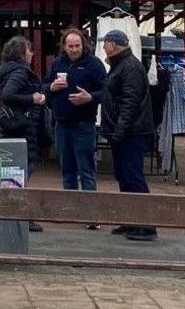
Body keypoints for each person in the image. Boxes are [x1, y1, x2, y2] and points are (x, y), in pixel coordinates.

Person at [99, 28, 157, 240]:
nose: (104, 47)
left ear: (113, 45)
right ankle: (130, 220)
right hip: (124, 132)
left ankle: (146, 225)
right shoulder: (120, 65)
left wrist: (119, 131)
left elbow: (130, 103)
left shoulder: (129, 67)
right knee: (123, 175)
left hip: (132, 133)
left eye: (105, 43)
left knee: (133, 175)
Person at [43, 27, 107, 193]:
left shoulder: (94, 64)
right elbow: (43, 87)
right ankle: (70, 210)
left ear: (83, 45)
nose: (74, 49)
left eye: (77, 45)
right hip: (62, 125)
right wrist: (51, 87)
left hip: (84, 125)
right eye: (70, 46)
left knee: (87, 170)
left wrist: (90, 97)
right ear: (64, 46)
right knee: (67, 171)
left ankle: (89, 212)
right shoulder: (57, 63)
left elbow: (107, 92)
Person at [0, 36, 44, 179]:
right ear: (21, 53)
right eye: (29, 50)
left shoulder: (9, 70)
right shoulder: (20, 72)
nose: (31, 54)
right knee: (26, 164)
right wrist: (32, 98)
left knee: (15, 165)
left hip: (15, 123)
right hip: (23, 125)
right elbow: (7, 95)